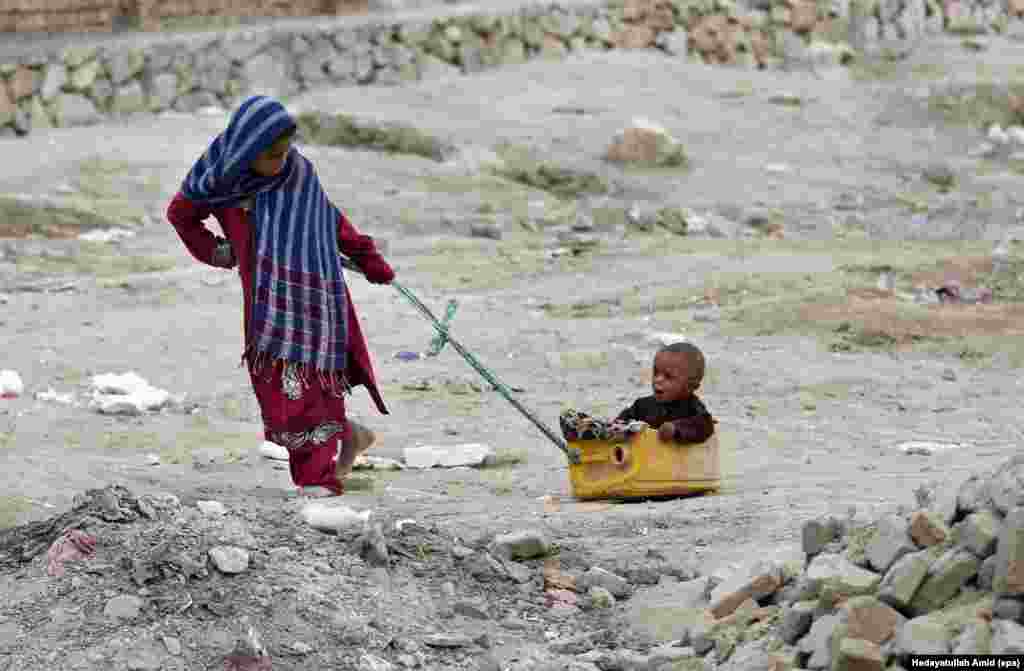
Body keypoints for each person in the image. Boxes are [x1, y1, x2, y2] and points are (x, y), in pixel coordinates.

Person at [166, 95, 394, 498]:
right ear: (246, 149)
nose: (280, 162)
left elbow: (331, 218)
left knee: (313, 384)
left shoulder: (298, 173)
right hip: (266, 306)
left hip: (317, 297)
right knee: (280, 394)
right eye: (271, 155)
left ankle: (315, 479)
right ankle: (349, 435)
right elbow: (181, 215)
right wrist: (217, 251)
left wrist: (368, 257)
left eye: (285, 152)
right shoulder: (218, 179)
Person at [616, 342, 716, 444]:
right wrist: (615, 428)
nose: (657, 380)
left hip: (675, 457)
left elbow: (705, 426)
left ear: (691, 386)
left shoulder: (692, 408)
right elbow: (622, 422)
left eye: (668, 376)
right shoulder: (643, 405)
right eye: (656, 373)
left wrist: (675, 429)